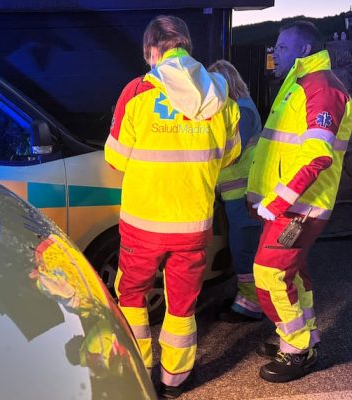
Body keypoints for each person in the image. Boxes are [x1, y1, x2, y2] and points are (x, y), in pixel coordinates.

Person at [104, 15, 240, 399]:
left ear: (152, 50)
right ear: (187, 48)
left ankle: (138, 373)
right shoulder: (223, 98)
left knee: (131, 296)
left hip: (143, 223)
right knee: (181, 305)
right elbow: (229, 157)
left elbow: (115, 158)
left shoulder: (137, 92)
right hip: (193, 223)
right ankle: (174, 381)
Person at [247, 20, 352, 383]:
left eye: (281, 47)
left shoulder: (320, 88)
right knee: (293, 274)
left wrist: (277, 202)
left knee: (270, 275)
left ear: (304, 50)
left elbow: (316, 156)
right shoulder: (302, 84)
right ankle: (300, 337)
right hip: (292, 205)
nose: (274, 53)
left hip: (298, 208)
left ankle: (296, 350)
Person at [207, 60, 264, 324]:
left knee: (244, 249)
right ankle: (247, 298)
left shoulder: (242, 111)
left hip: (244, 193)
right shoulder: (241, 108)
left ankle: (250, 305)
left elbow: (230, 152)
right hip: (237, 193)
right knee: (241, 247)